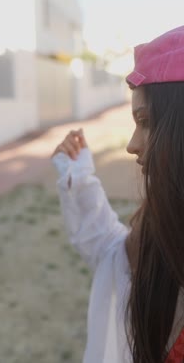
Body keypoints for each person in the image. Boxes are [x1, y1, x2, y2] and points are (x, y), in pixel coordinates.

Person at [51, 26, 184, 363]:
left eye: (147, 121)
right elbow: (116, 259)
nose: (131, 145)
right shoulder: (159, 224)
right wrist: (79, 179)